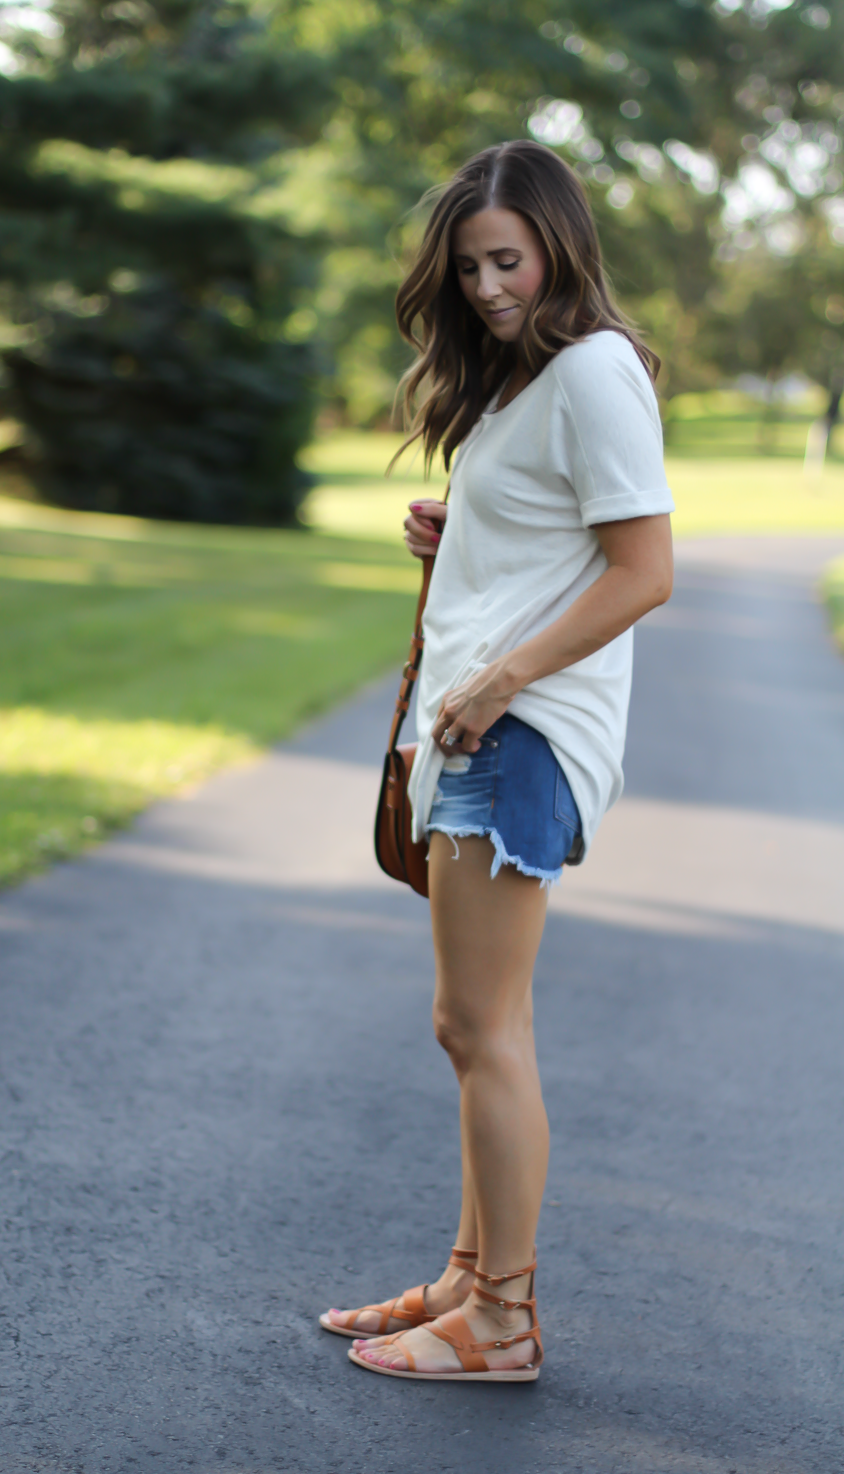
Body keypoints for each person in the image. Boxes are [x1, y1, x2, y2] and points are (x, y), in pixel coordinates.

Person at [319, 139, 674, 1382]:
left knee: (478, 1028)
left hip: (516, 734)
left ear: (559, 248)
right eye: (467, 265)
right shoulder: (525, 386)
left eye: (505, 259)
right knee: (479, 1024)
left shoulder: (589, 371)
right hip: (485, 722)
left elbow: (644, 572)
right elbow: (552, 548)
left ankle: (503, 1323)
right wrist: (453, 531)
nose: (482, 285)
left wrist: (499, 679)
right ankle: (470, 1278)